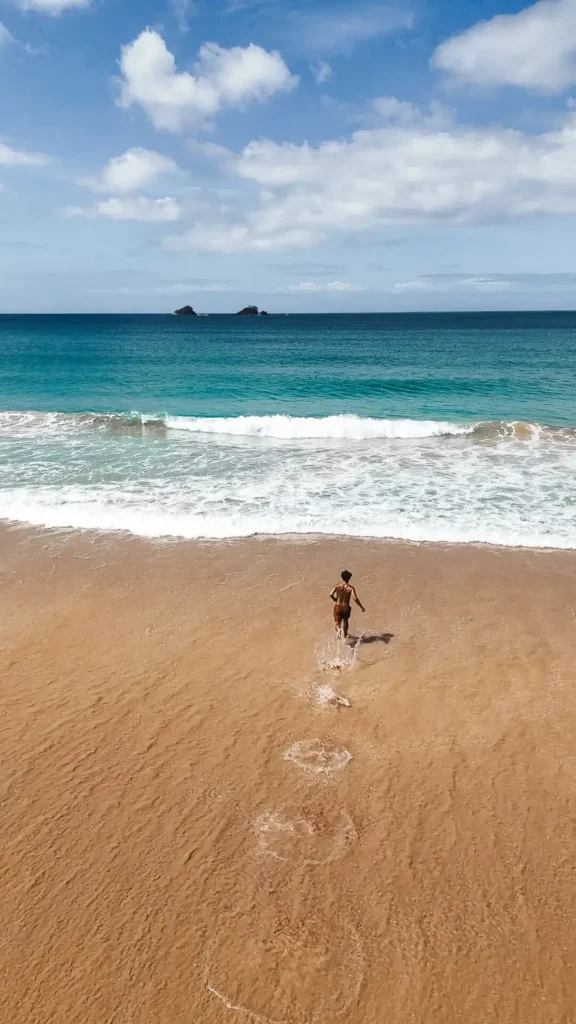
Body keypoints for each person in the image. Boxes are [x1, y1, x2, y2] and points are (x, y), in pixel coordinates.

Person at [330, 570, 365, 639]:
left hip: (338, 607)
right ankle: (345, 635)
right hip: (346, 608)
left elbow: (330, 594)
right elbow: (355, 598)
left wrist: (334, 599)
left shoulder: (337, 586)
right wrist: (361, 607)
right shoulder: (351, 588)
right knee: (345, 621)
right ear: (349, 578)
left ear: (342, 577)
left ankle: (338, 630)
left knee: (337, 623)